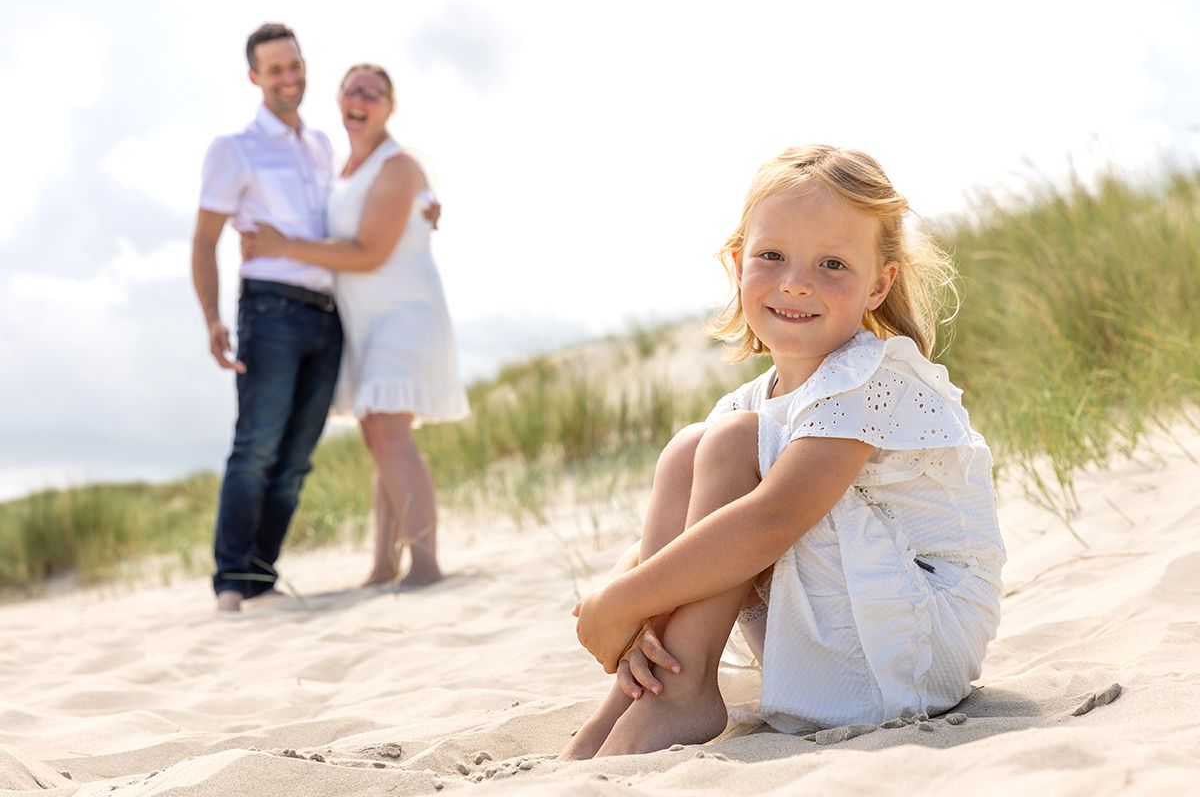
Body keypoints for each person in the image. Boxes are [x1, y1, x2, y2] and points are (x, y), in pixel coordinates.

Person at [562, 145, 1005, 758]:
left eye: (832, 264)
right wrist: (622, 602)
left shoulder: (871, 376)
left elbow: (772, 520)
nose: (797, 282)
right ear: (738, 264)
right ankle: (630, 702)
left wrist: (628, 600)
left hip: (910, 639)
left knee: (728, 445)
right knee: (690, 448)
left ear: (879, 284)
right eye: (773, 256)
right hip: (842, 626)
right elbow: (688, 531)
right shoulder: (753, 403)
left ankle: (682, 690)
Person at [242, 63, 469, 589]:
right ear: (340, 101)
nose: (360, 98)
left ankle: (427, 565)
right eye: (352, 89)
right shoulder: (342, 167)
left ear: (390, 108)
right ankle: (384, 565)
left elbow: (368, 252)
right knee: (378, 433)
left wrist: (281, 246)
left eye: (374, 92)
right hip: (363, 322)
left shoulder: (398, 165)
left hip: (405, 313)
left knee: (388, 429)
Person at [192, 23, 342, 613]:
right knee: (255, 448)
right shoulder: (234, 149)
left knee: (297, 457)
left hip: (329, 316)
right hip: (269, 309)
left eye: (295, 65)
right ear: (254, 77)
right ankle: (231, 582)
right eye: (275, 69)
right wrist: (211, 318)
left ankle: (260, 575)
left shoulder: (323, 146)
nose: (289, 77)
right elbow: (204, 241)